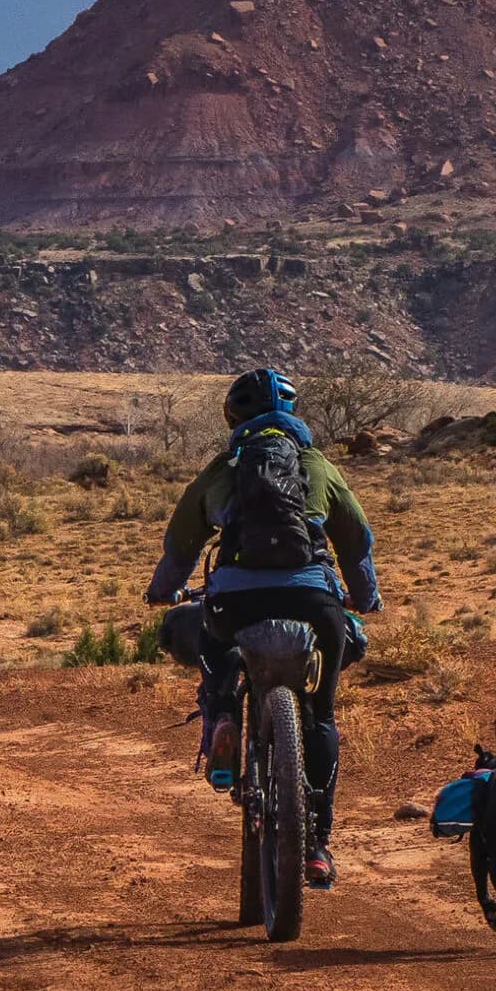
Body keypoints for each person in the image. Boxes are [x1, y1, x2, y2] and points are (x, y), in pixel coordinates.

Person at [148, 367, 379, 889]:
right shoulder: (317, 465)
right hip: (314, 599)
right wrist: (365, 597)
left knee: (216, 644)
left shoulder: (225, 467)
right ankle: (317, 844)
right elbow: (356, 538)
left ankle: (225, 715)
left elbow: (181, 540)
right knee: (321, 717)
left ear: (234, 418)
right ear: (293, 415)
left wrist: (164, 588)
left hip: (235, 600)